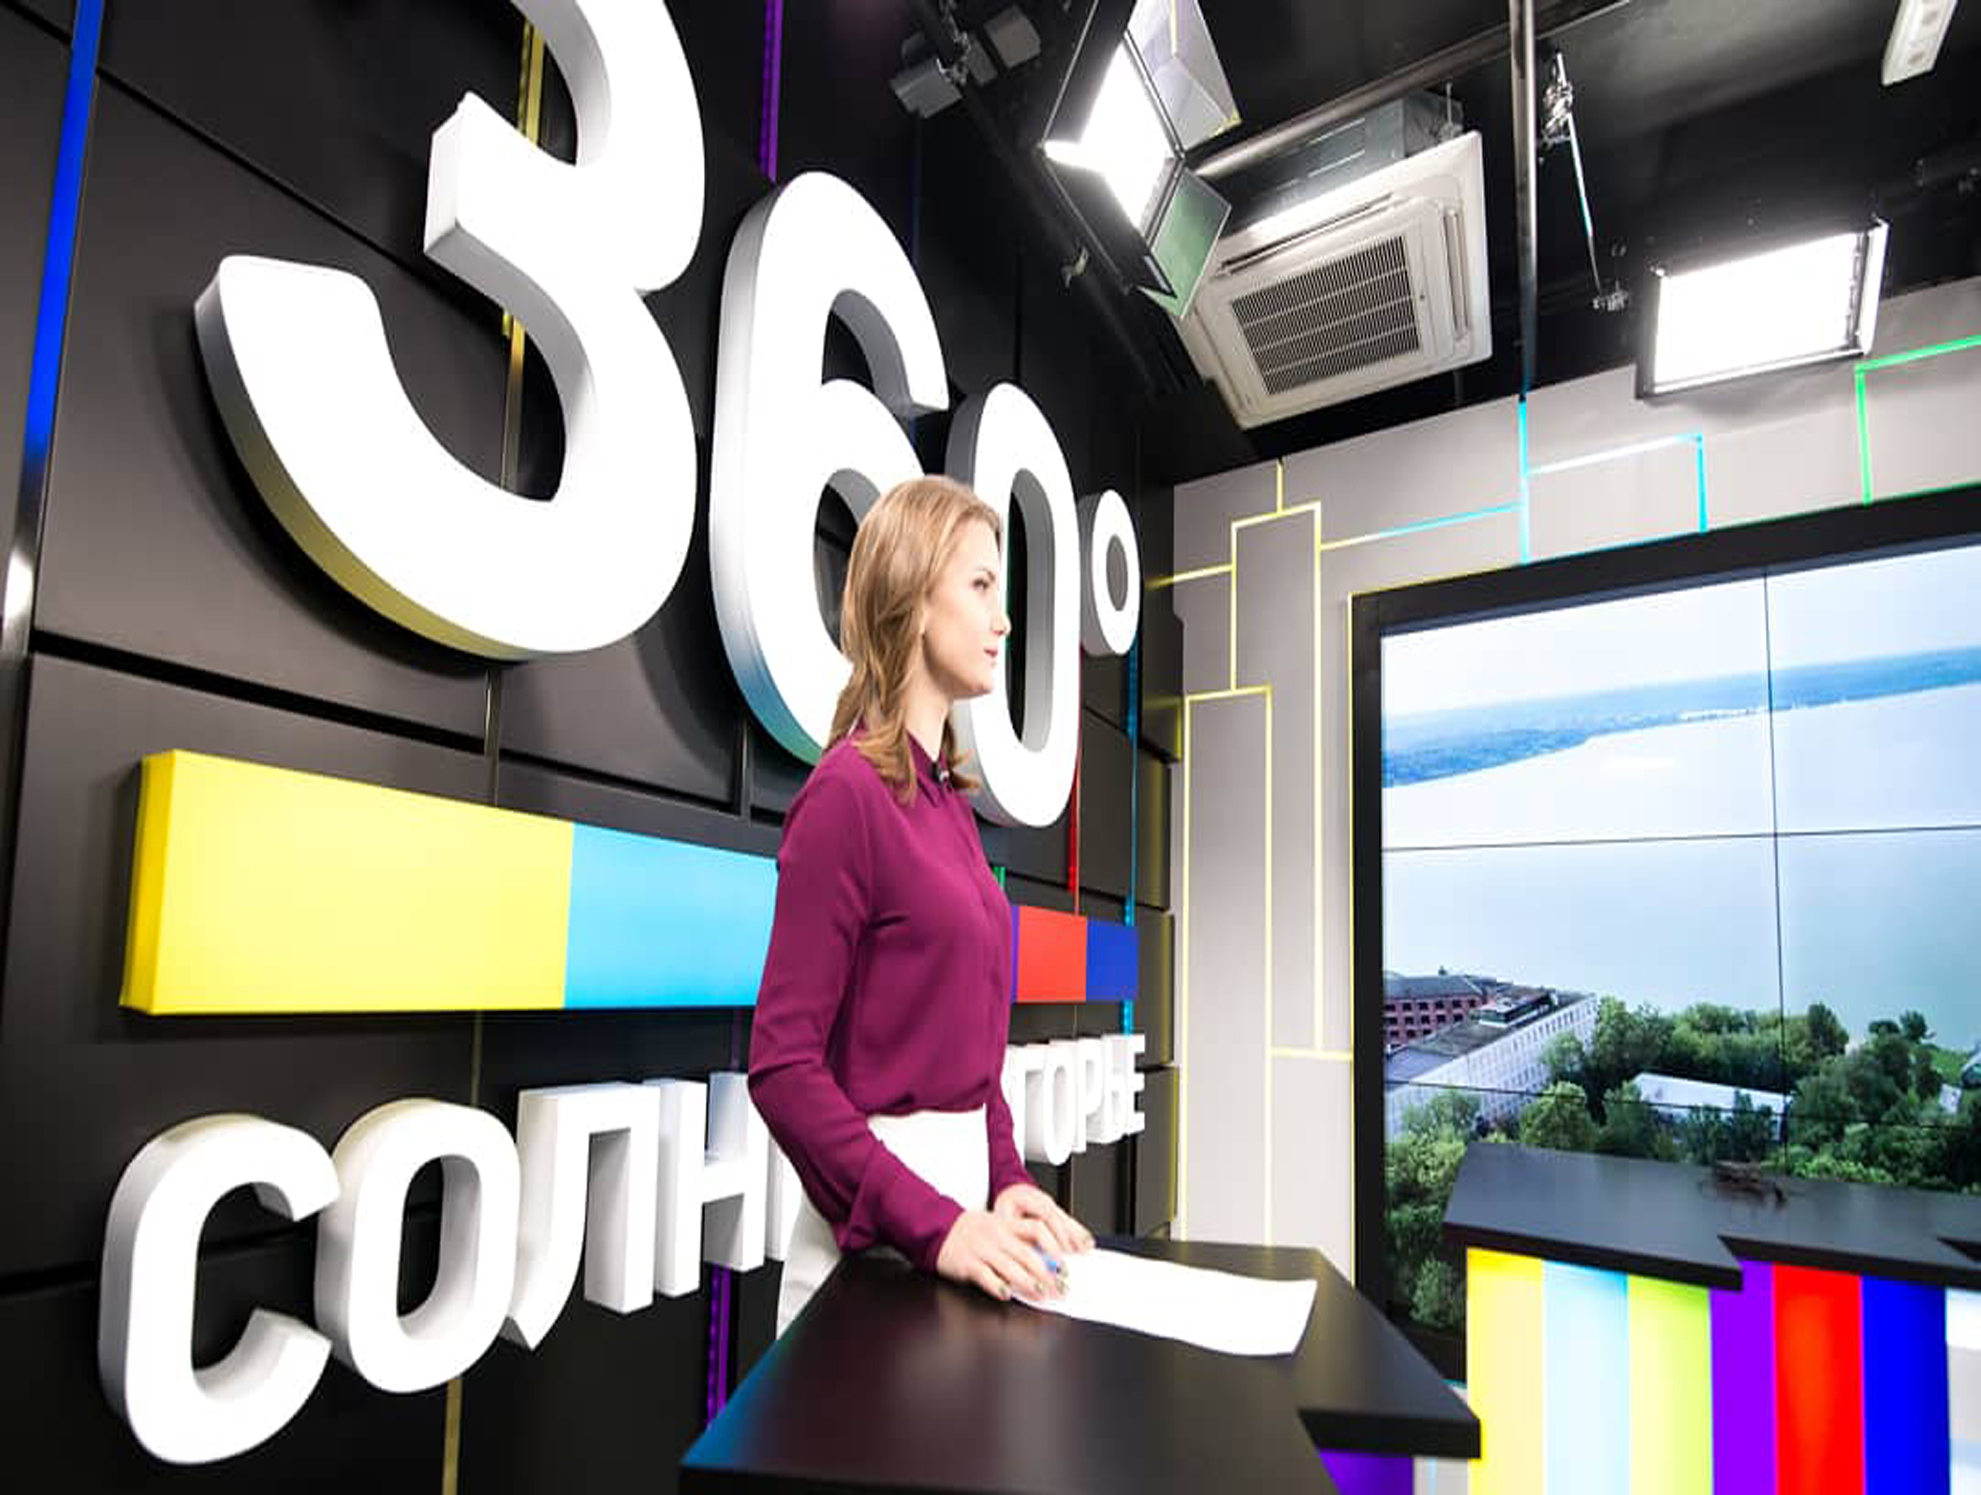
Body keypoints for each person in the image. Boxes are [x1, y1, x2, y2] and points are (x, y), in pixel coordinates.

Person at [748, 475, 1094, 1336]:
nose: (1002, 620)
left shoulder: (949, 805)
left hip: (957, 1233)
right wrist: (934, 1223)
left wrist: (1005, 1176)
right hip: (874, 1254)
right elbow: (781, 1068)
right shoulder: (846, 795)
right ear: (911, 597)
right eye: (980, 585)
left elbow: (973, 1066)